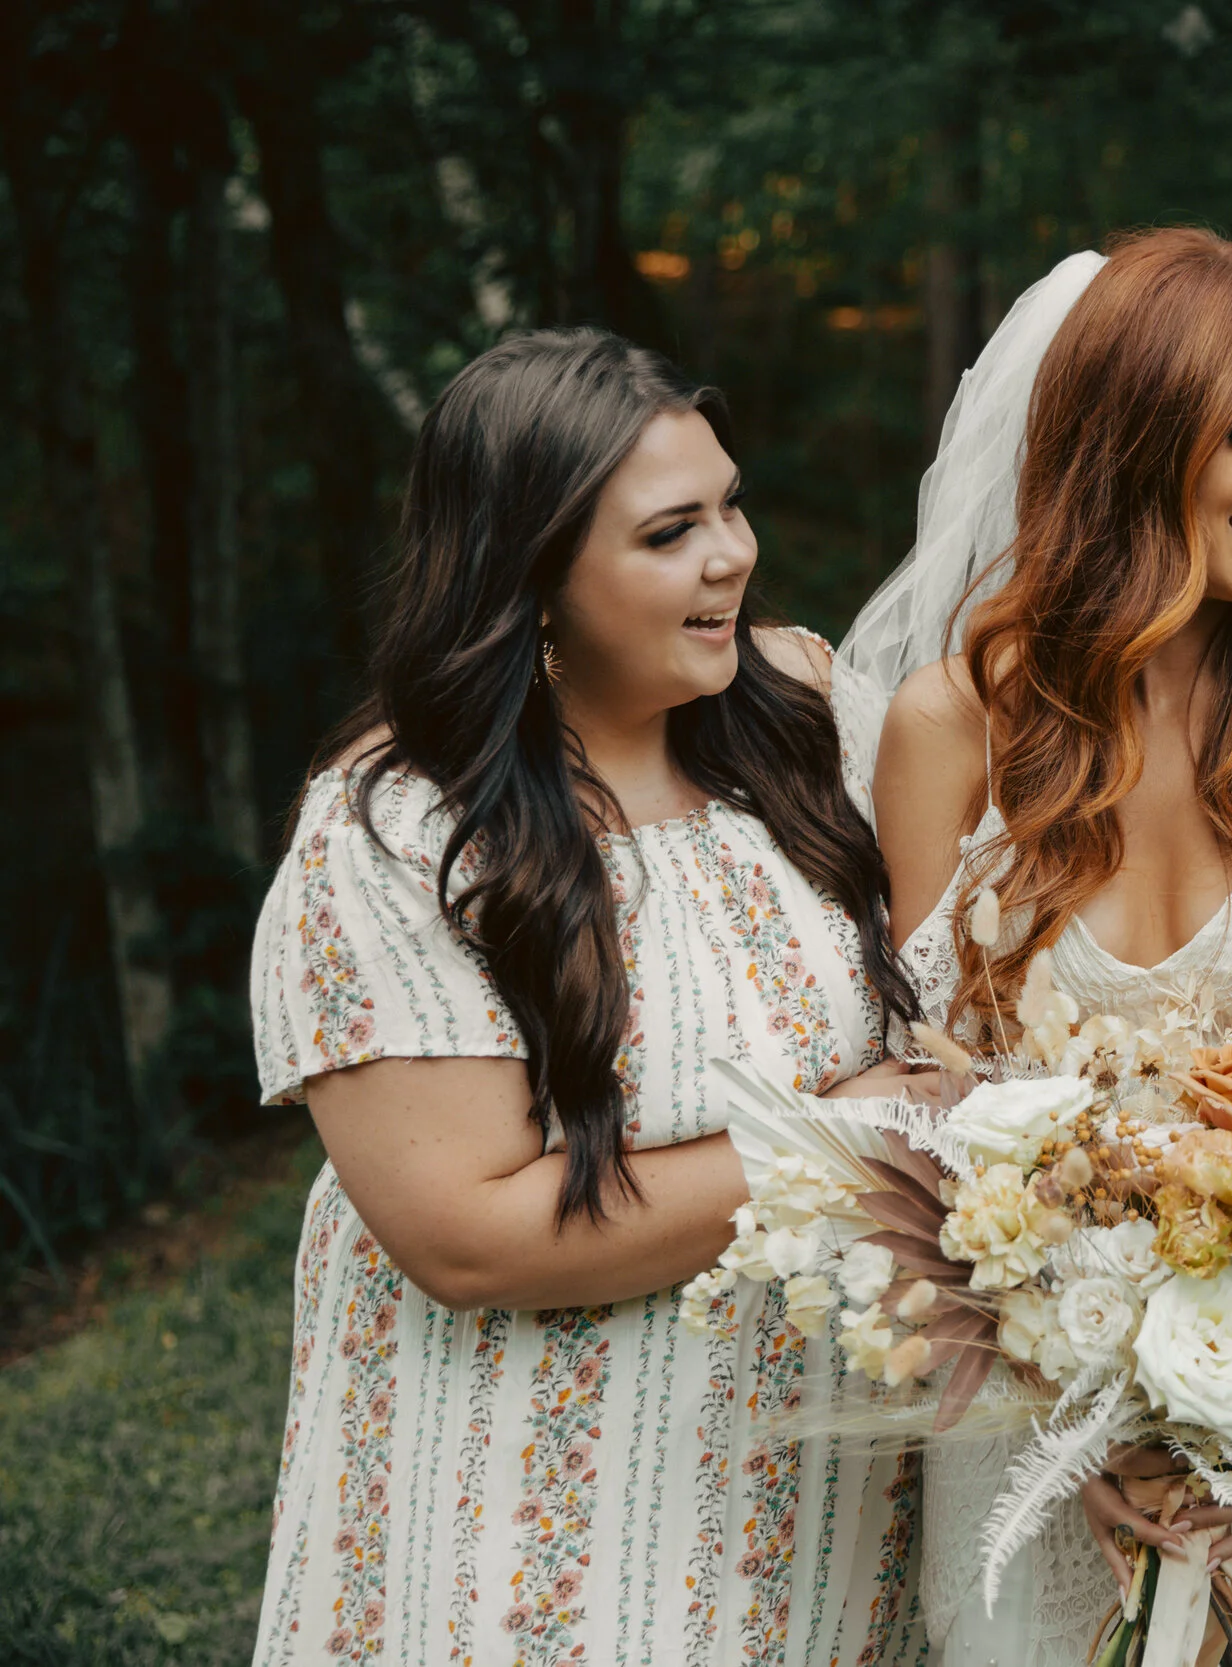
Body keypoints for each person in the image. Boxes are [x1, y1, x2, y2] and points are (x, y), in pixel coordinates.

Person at [246, 327, 928, 1666]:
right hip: (536, 1540)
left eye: (730, 505)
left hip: (819, 1511)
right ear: (534, 578)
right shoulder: (398, 834)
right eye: (671, 532)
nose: (730, 553)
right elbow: (466, 1237)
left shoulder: (802, 720)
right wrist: (839, 1142)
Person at [852, 229, 1232, 1666]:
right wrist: (1086, 1398)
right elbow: (926, 1121)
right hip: (1026, 1441)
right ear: (1126, 444)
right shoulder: (953, 727)